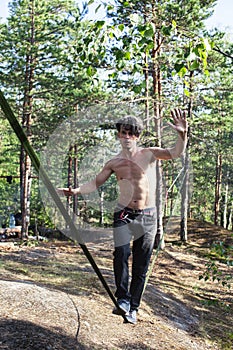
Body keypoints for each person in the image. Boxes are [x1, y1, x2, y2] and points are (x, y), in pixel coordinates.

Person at [57, 108, 188, 324]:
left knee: (141, 263)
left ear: (138, 136)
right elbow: (95, 183)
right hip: (123, 213)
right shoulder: (113, 162)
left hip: (147, 215)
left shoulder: (149, 154)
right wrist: (76, 191)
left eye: (132, 133)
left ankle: (133, 307)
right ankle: (123, 299)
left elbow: (176, 153)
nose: (128, 137)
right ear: (118, 134)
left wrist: (182, 134)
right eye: (124, 133)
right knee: (120, 254)